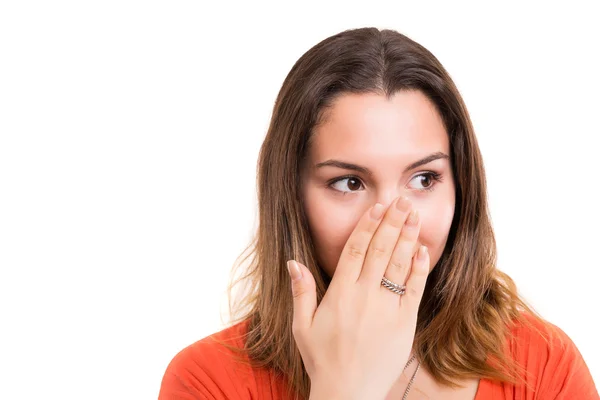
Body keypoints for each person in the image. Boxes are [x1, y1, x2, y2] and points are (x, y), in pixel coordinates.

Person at [158, 27, 598, 400]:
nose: (395, 222)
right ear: (291, 198)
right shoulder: (208, 380)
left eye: (424, 179)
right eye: (349, 183)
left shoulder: (542, 363)